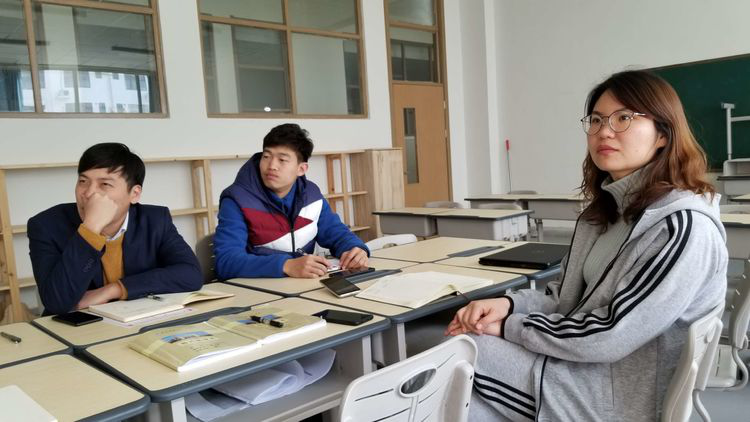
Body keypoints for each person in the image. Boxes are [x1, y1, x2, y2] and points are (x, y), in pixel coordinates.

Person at [446, 70, 727, 421]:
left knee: (458, 356)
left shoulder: (681, 227)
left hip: (619, 397)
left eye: (623, 118)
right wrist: (507, 304)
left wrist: (510, 327)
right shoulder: (602, 215)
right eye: (596, 120)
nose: (604, 131)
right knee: (462, 361)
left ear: (662, 134)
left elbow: (611, 335)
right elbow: (564, 300)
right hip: (586, 369)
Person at [28, 143, 203, 315]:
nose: (89, 193)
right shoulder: (46, 226)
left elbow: (191, 274)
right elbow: (57, 302)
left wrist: (114, 289)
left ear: (134, 194)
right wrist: (91, 229)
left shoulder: (155, 220)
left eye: (104, 184)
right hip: (77, 327)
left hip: (137, 319)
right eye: (83, 181)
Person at [214, 123, 369, 279]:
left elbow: (336, 233)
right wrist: (286, 265)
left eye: (282, 160)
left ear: (301, 169)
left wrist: (356, 250)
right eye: (266, 157)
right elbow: (226, 262)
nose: (272, 166)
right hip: (255, 288)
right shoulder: (236, 200)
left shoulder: (311, 194)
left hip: (301, 285)